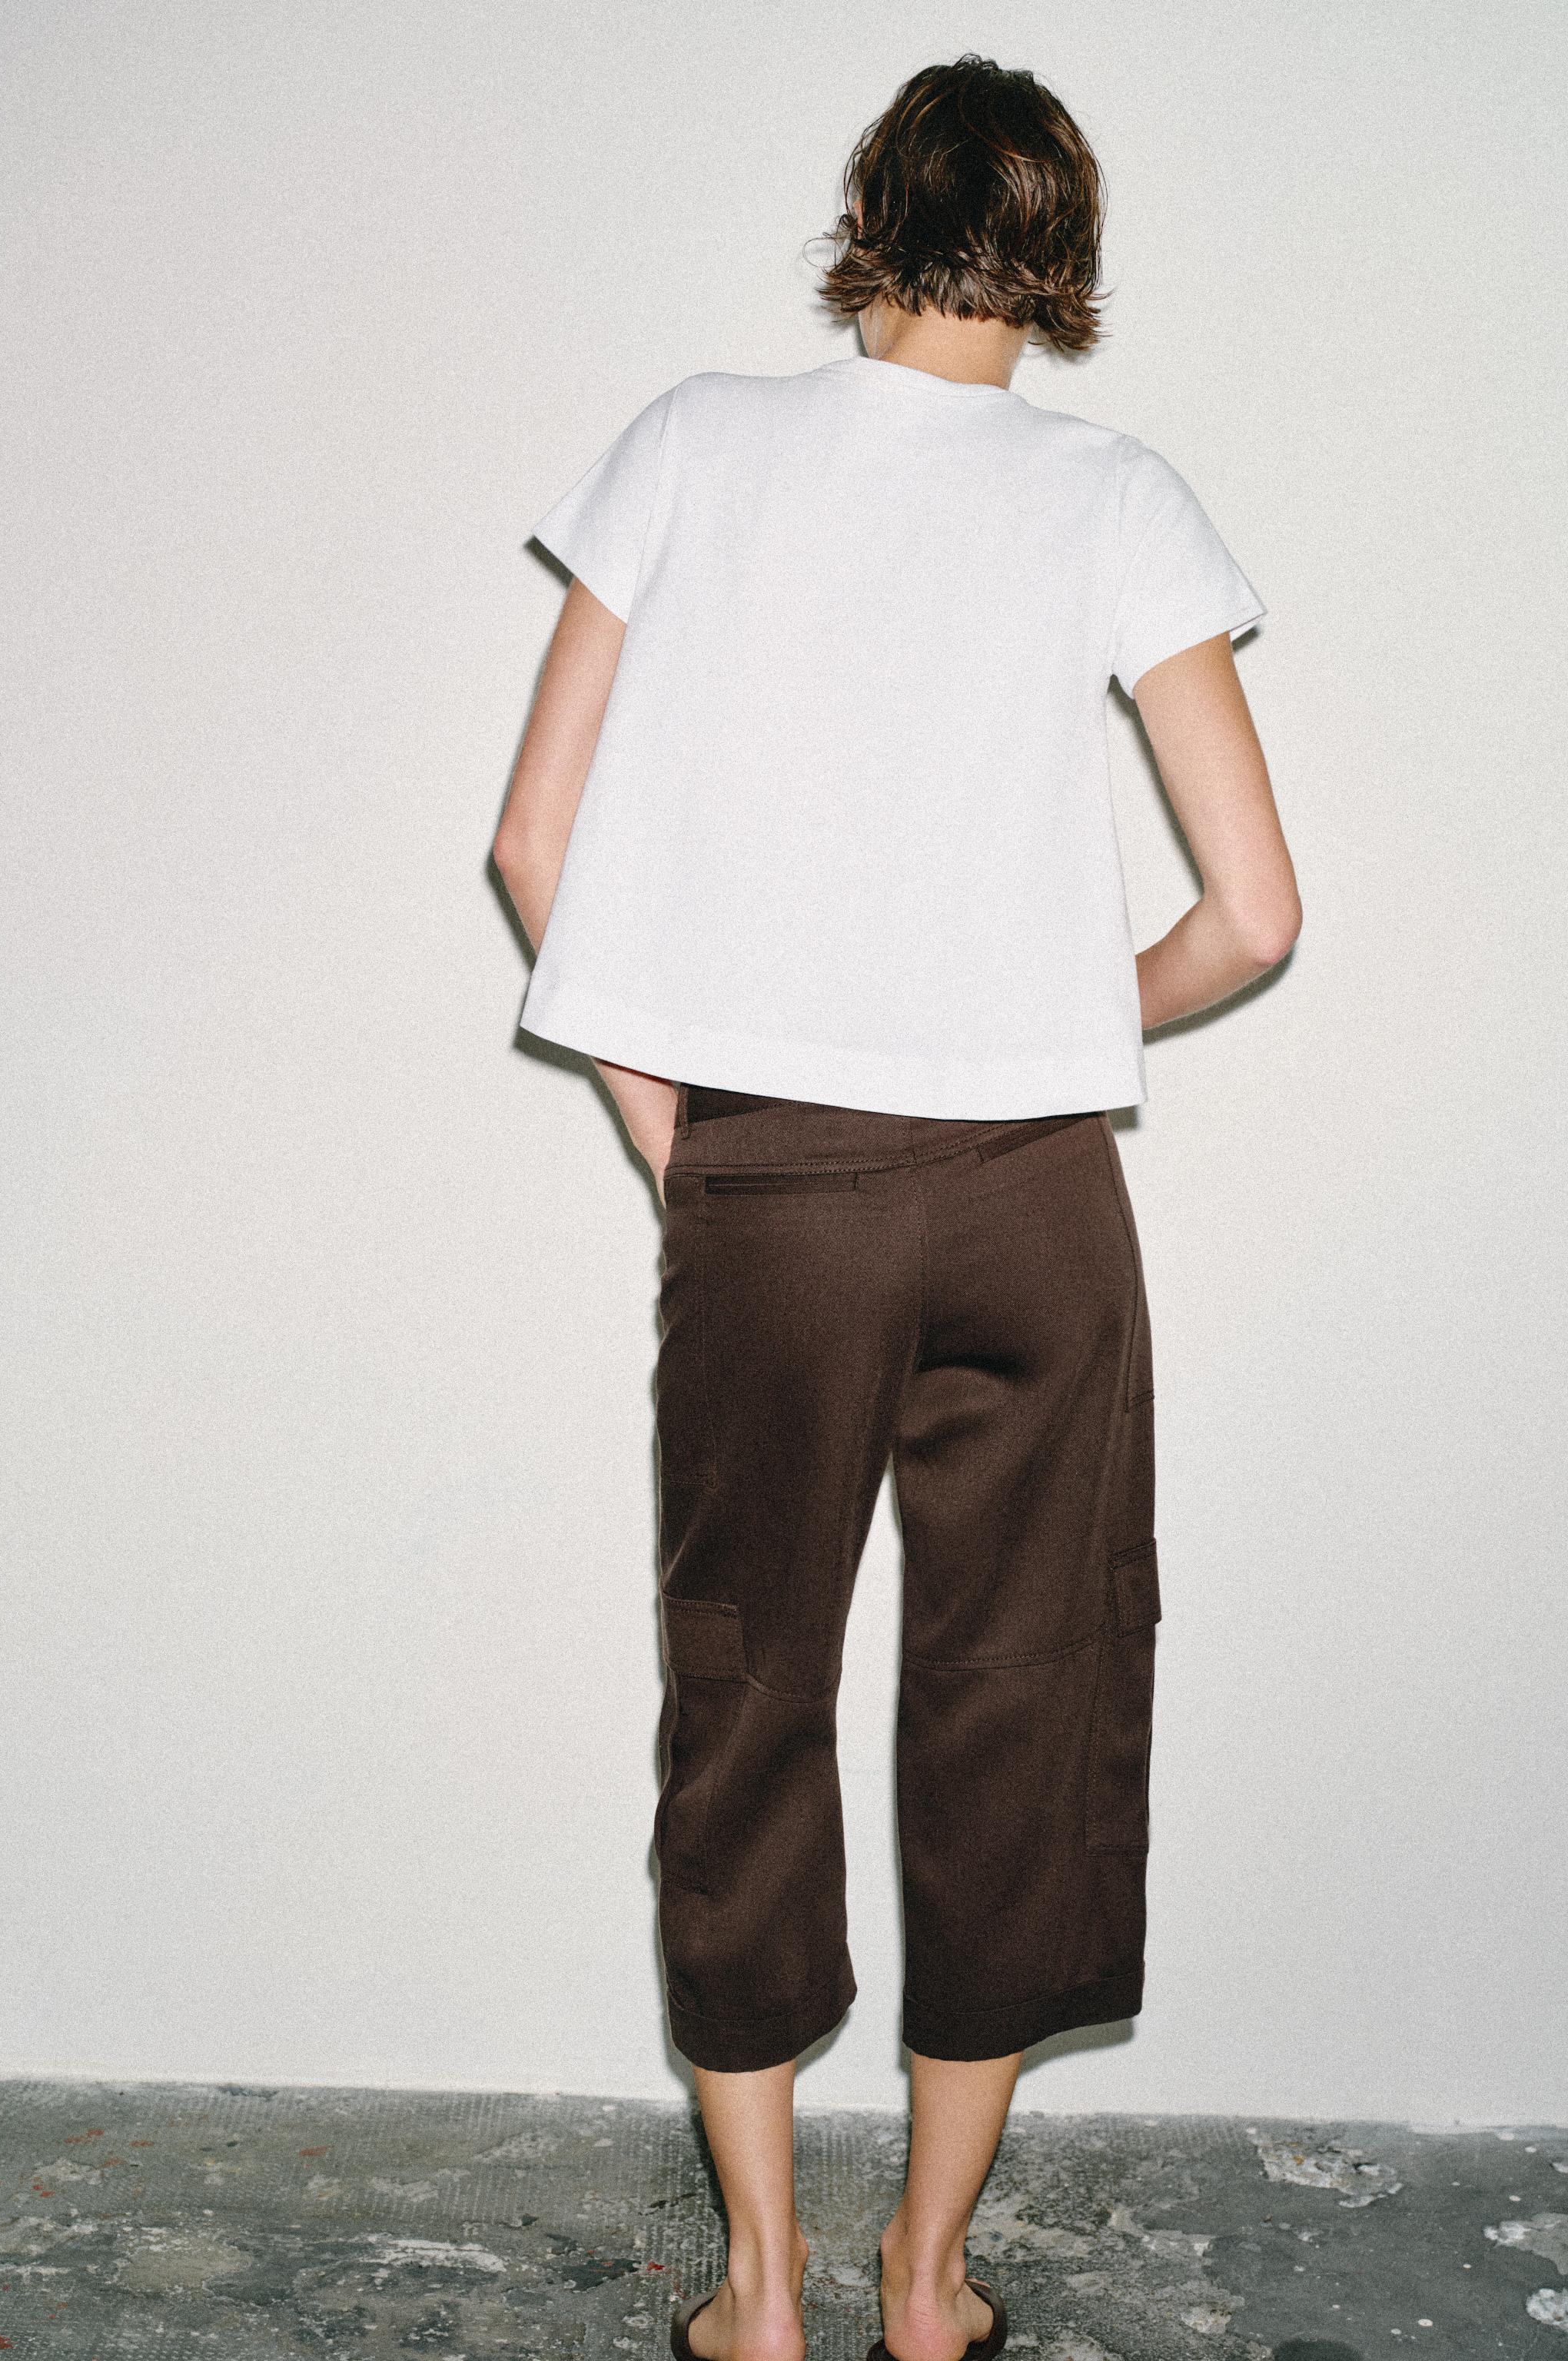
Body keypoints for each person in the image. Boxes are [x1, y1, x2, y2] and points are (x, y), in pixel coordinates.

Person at [495, 53, 1301, 2361]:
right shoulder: (1113, 492)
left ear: (871, 215)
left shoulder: (694, 442)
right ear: (1063, 253)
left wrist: (682, 1129)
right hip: (1036, 1201)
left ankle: (757, 2299)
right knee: (1021, 1699)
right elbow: (1255, 913)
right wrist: (1048, 1029)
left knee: (745, 1690)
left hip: (780, 1183)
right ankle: (927, 2291)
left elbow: (533, 844)